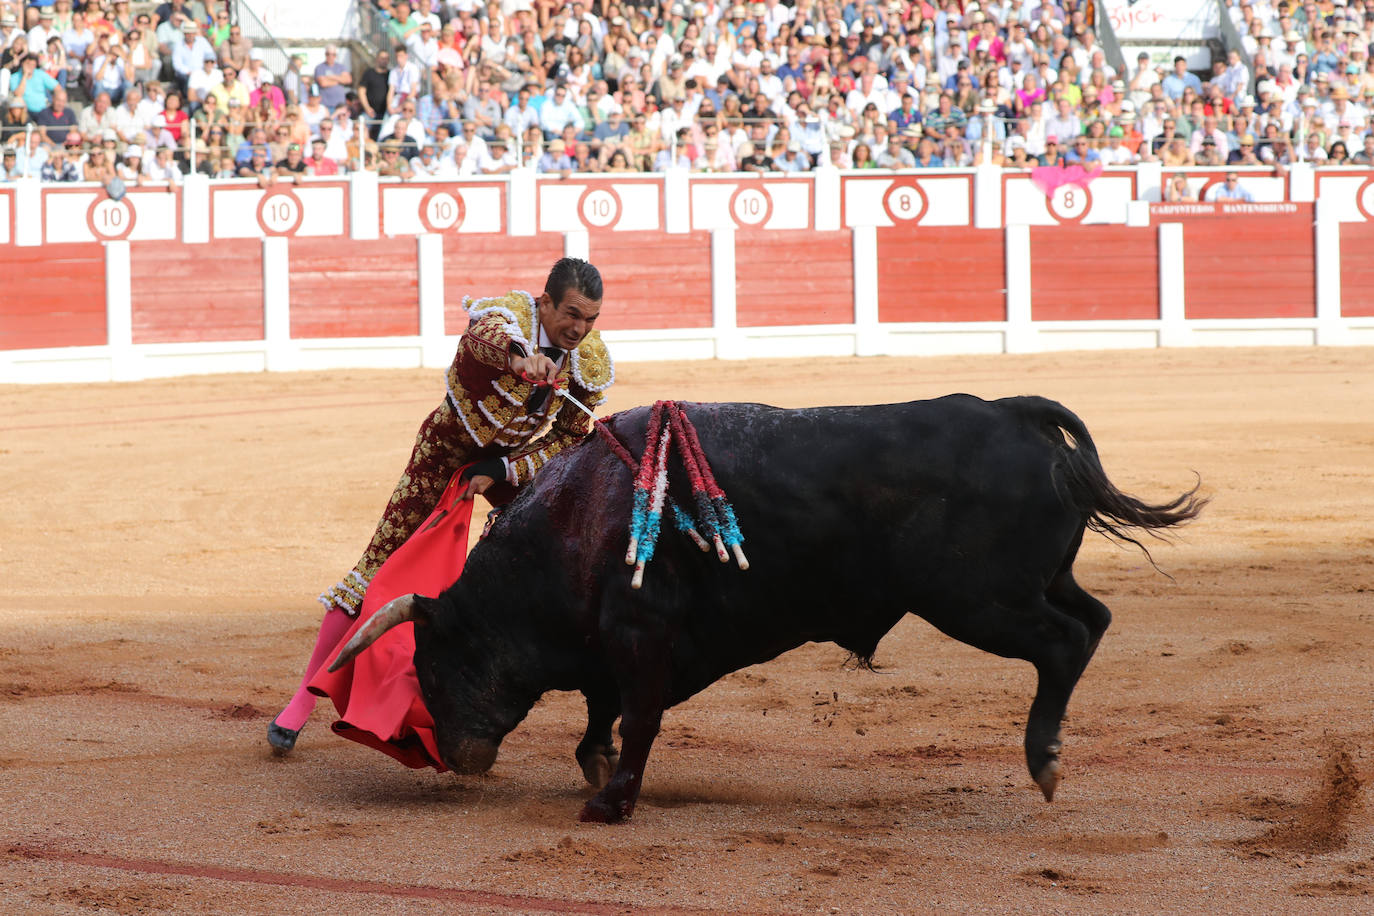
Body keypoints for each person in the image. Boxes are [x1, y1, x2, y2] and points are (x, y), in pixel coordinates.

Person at [269, 258, 615, 759]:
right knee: (376, 566)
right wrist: (521, 359)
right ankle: (300, 703)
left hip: (511, 469)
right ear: (544, 303)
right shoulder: (509, 316)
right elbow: (482, 341)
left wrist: (504, 471)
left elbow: (568, 439)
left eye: (589, 320)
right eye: (570, 314)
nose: (579, 329)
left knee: (563, 566)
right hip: (444, 453)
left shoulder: (589, 357)